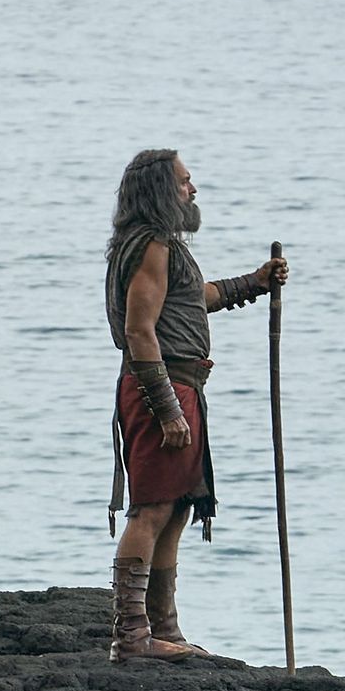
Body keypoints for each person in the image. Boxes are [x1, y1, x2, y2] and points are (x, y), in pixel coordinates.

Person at [103, 149, 286, 662]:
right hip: (159, 387)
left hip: (182, 386)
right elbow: (140, 331)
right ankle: (134, 636)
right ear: (163, 189)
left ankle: (163, 628)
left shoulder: (161, 248)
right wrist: (167, 408)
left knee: (177, 507)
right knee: (152, 509)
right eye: (185, 182)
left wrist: (254, 282)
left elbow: (194, 297)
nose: (194, 189)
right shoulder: (152, 247)